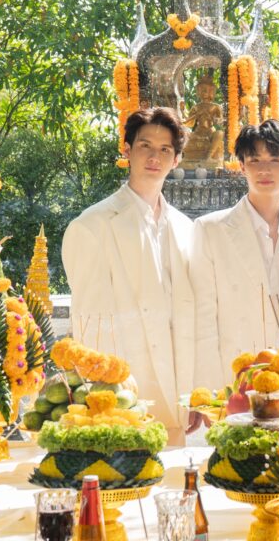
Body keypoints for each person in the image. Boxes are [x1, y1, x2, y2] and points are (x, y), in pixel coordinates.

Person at [62, 107, 195, 444]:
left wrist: (195, 392)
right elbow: (90, 327)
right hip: (121, 400)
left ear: (177, 160)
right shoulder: (92, 226)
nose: (154, 157)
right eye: (145, 146)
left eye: (165, 149)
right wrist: (105, 400)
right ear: (127, 150)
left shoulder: (187, 229)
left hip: (178, 396)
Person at [190, 119, 279, 391]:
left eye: (275, 160)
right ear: (241, 166)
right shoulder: (210, 230)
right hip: (237, 375)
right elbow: (203, 315)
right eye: (254, 160)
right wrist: (208, 389)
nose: (265, 170)